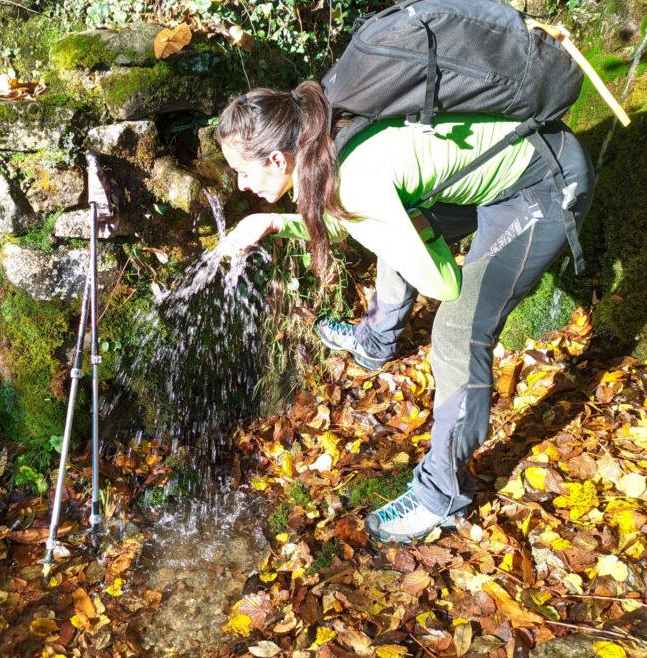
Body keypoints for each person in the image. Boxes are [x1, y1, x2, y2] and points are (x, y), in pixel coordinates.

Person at [214, 80, 594, 543]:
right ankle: (376, 343)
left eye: (241, 171)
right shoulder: (325, 135)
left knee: (457, 330)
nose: (240, 183)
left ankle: (440, 496)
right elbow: (356, 216)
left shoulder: (354, 180)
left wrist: (408, 229)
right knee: (386, 229)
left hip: (544, 183)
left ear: (277, 160)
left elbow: (443, 282)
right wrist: (275, 221)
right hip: (502, 167)